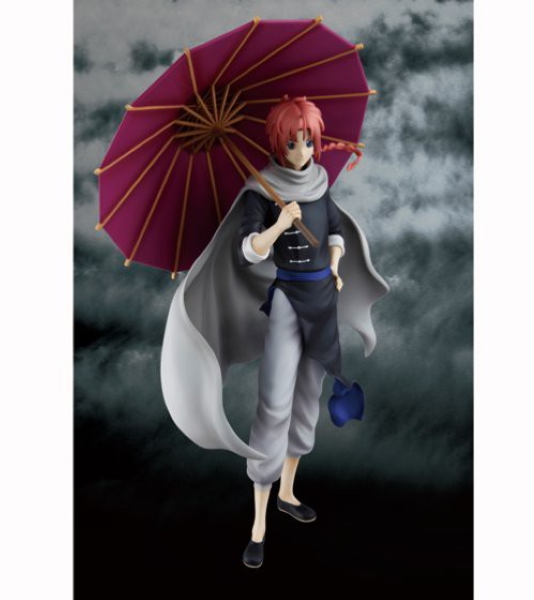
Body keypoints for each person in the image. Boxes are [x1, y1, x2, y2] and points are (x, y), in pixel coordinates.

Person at [160, 95, 389, 570]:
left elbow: (335, 232)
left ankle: (287, 492)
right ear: (276, 144)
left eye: (308, 141)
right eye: (292, 143)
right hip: (287, 301)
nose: (302, 151)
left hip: (323, 300)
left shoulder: (320, 183)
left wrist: (335, 265)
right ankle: (259, 524)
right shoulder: (259, 193)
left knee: (308, 396)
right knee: (275, 401)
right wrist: (279, 223)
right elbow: (247, 252)